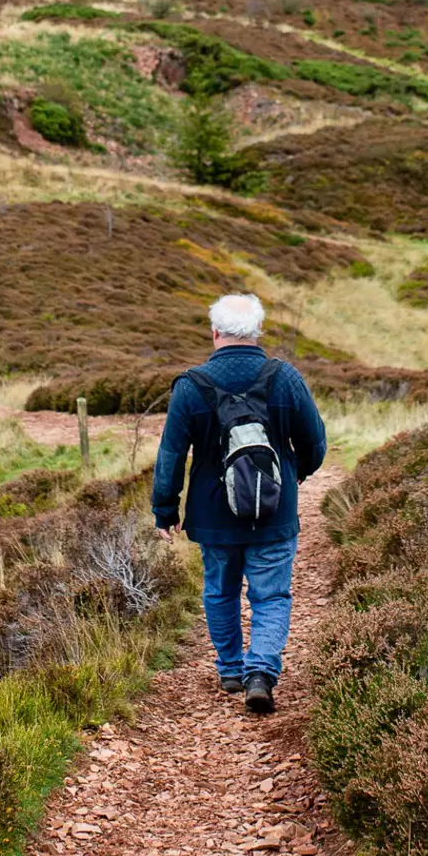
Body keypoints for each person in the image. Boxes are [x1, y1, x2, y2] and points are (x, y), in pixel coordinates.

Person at [151, 292, 326, 714]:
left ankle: (230, 668)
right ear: (258, 331)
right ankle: (261, 672)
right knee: (271, 597)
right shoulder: (285, 378)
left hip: (213, 515)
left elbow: (171, 455)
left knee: (220, 590)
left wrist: (166, 509)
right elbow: (315, 443)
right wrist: (293, 474)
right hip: (274, 510)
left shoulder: (190, 386)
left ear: (215, 333)